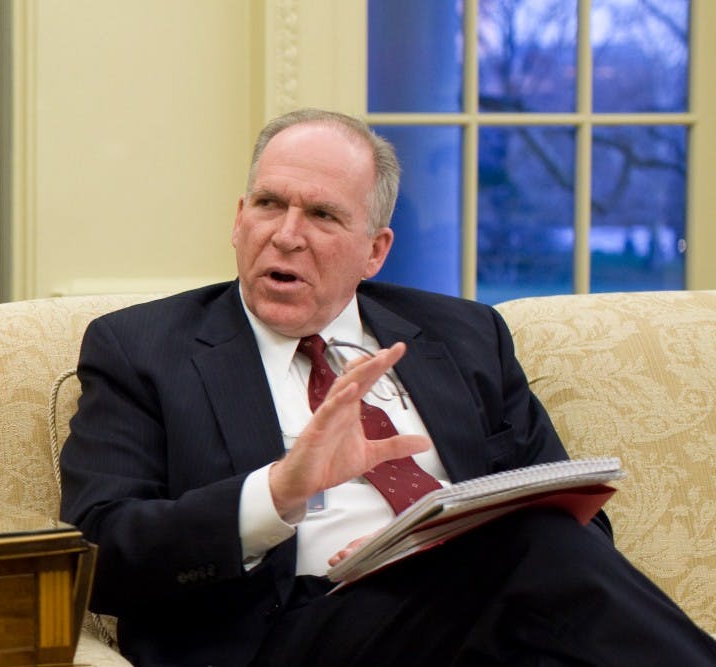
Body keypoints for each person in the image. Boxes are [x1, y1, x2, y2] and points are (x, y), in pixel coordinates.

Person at [60, 108, 716, 666]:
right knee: (534, 547)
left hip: (472, 624)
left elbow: (577, 527)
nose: (285, 235)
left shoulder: (463, 335)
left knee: (543, 556)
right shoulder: (143, 348)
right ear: (239, 219)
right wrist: (280, 492)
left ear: (374, 250)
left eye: (321, 214)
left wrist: (441, 553)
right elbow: (98, 552)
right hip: (285, 631)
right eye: (268, 204)